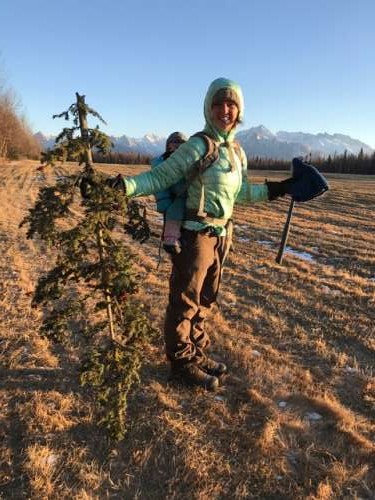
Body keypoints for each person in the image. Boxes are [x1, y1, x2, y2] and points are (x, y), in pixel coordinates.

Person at [111, 77, 295, 391]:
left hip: (222, 235)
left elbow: (240, 194)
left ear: (240, 109)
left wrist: (281, 188)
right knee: (185, 299)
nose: (225, 110)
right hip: (195, 235)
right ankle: (181, 362)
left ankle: (197, 352)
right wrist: (124, 186)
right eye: (218, 104)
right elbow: (161, 176)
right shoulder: (199, 145)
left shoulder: (237, 152)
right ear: (208, 108)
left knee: (206, 300)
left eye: (231, 104)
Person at [150, 131, 188, 255]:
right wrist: (164, 204)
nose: (178, 146)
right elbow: (159, 187)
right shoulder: (164, 162)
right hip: (177, 198)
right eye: (175, 142)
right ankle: (170, 240)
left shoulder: (188, 160)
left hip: (189, 197)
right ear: (169, 145)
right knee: (175, 210)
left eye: (181, 143)